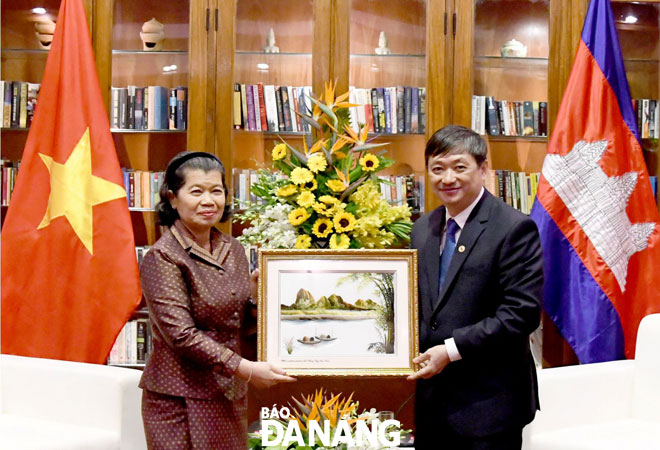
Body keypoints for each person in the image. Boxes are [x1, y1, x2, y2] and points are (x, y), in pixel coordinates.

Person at [139, 151, 296, 449]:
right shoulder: (162, 256)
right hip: (180, 401)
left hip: (227, 394)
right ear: (173, 198)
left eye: (216, 191)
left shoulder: (233, 248)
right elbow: (181, 336)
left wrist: (255, 299)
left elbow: (235, 324)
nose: (208, 201)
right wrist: (247, 369)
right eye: (196, 191)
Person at [407, 125, 543, 449]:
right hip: (430, 402)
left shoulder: (514, 228)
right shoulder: (422, 228)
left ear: (483, 169)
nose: (447, 178)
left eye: (459, 167)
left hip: (488, 406)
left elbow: (521, 315)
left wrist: (450, 351)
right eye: (437, 169)